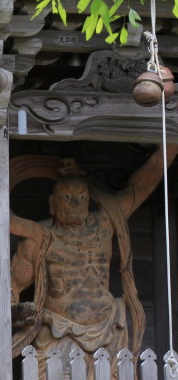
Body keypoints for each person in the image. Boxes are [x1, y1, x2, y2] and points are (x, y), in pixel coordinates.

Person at [10, 144, 177, 365]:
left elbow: (138, 188)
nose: (75, 203)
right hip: (58, 333)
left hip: (108, 330)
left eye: (81, 196)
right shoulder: (39, 238)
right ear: (52, 203)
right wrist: (20, 313)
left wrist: (169, 146)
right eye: (67, 196)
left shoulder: (104, 225)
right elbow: (13, 285)